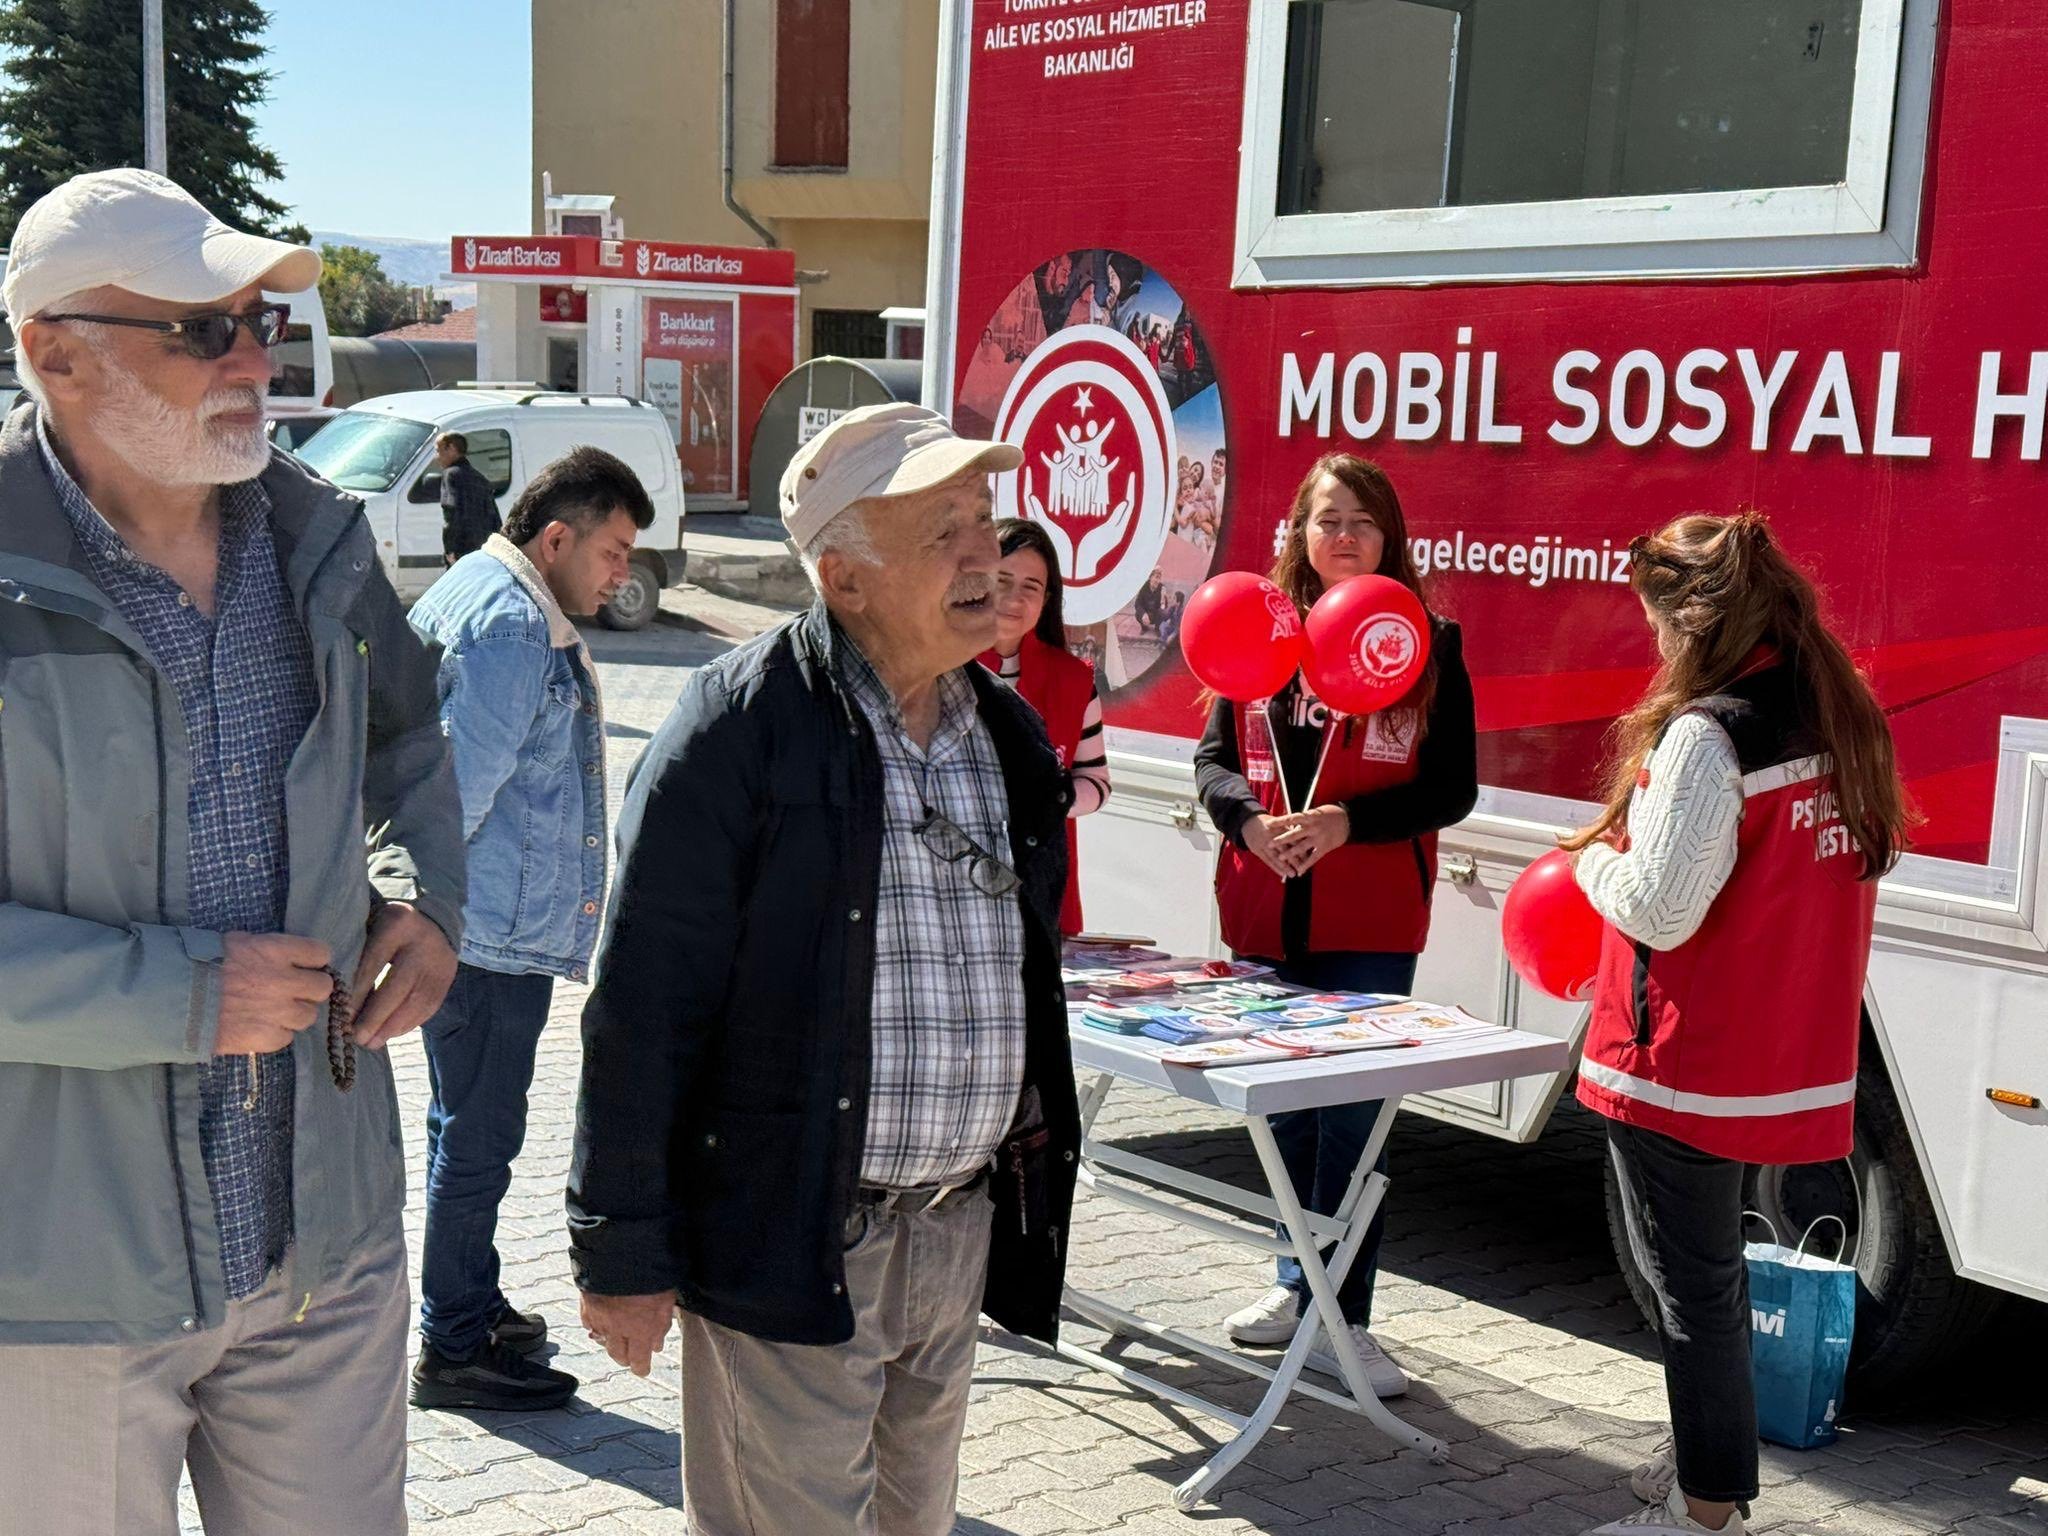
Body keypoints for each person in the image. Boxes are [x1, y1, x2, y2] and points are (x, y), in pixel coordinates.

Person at [0, 168, 464, 1534]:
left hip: (323, 1252)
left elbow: (408, 738)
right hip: (55, 1286)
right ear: (53, 353)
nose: (255, 360)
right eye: (202, 330)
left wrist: (421, 895)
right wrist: (183, 994)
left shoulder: (318, 537)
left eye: (259, 322)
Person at [568, 402, 1080, 1536]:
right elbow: (644, 1005)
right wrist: (621, 1250)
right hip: (791, 1231)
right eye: (943, 531)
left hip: (953, 1230)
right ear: (844, 577)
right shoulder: (737, 727)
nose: (987, 557)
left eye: (985, 518)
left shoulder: (1004, 736)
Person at [1564, 513, 1909, 1536]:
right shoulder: (1837, 711)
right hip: (1776, 1048)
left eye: (1655, 622)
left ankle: (1705, 1513)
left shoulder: (1709, 733)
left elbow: (1660, 908)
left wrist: (1587, 862)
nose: (1653, 642)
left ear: (1694, 621)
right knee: (1707, 1286)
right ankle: (1698, 1456)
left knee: (1694, 1292)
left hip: (1681, 1058)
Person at [1194, 452, 1477, 1398]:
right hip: (1268, 911)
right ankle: (1295, 1288)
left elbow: (1453, 788)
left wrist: (1348, 821)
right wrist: (1247, 821)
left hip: (1370, 920)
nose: (1344, 535)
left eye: (1362, 519)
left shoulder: (1427, 641)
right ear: (1300, 534)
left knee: (1354, 1121)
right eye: (1326, 519)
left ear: (1390, 535)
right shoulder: (1257, 628)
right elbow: (1213, 762)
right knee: (1285, 1115)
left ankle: (1345, 1319)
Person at [405, 446, 655, 1411]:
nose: (622, 574)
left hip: (476, 932)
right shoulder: (513, 626)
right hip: (482, 941)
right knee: (478, 1143)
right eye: (614, 551)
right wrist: (426, 924)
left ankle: (468, 1296)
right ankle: (454, 1346)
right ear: (556, 538)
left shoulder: (485, 589)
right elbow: (452, 804)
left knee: (463, 1132)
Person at [983, 517, 1111, 935]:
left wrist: (1049, 803)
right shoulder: (934, 669)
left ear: (1047, 599)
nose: (1014, 598)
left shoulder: (1075, 680)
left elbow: (1096, 781)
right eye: (1002, 580)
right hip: (952, 893)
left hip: (1044, 892)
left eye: (1031, 586)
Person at [437, 430, 500, 564]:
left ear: (452, 448)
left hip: (462, 551)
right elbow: (494, 517)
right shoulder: (480, 478)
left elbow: (452, 514)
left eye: (439, 450)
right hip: (484, 550)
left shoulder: (451, 475)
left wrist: (450, 550)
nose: (437, 457)